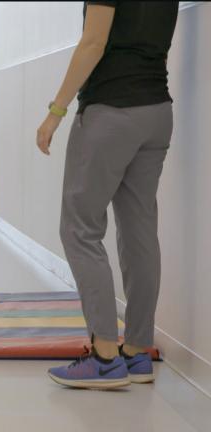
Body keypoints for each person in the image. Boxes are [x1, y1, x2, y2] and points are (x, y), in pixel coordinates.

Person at [38, 2, 179, 389]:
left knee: (80, 229)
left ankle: (103, 356)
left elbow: (93, 42)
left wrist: (56, 110)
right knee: (139, 234)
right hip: (157, 112)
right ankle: (136, 353)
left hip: (111, 111)